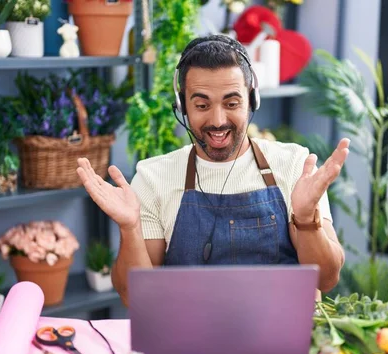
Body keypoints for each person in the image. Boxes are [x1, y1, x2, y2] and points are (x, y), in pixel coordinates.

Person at [76, 34, 350, 305]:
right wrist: (130, 227)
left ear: (252, 100)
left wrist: (305, 219)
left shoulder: (294, 165)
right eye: (202, 105)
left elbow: (325, 279)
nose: (218, 120)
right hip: (189, 341)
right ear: (182, 106)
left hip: (283, 339)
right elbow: (135, 297)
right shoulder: (153, 177)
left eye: (232, 103)